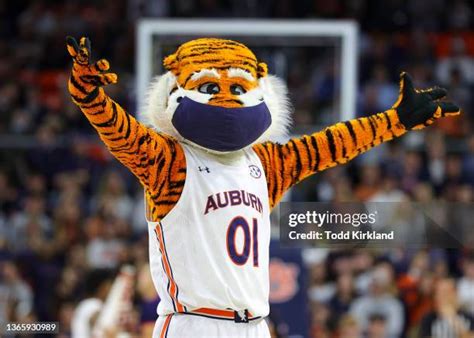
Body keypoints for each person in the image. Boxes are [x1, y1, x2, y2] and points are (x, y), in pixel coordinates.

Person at [66, 35, 460, 337]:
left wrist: (395, 120)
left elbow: (333, 143)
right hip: (194, 324)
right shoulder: (169, 161)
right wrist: (90, 96)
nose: (225, 98)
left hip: (255, 325)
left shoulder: (266, 163)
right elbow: (121, 134)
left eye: (237, 88)